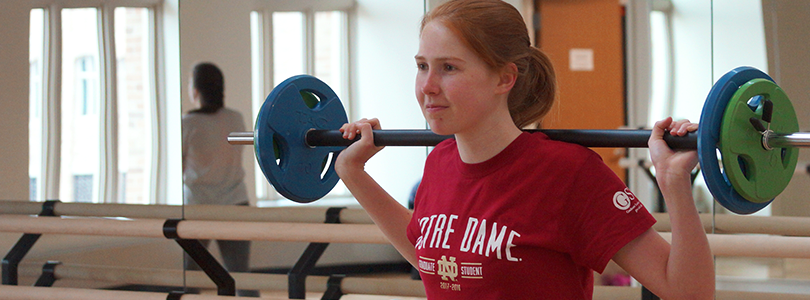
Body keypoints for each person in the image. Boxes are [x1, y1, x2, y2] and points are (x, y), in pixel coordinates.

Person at [335, 1, 714, 299]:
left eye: (448, 67)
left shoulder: (568, 172)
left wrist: (673, 180)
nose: (428, 86)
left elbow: (687, 292)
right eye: (422, 66)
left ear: (504, 78)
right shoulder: (440, 162)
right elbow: (436, 259)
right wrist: (353, 174)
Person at [181, 62, 259, 297]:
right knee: (241, 276)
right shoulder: (236, 118)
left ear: (195, 90)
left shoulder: (188, 123)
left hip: (199, 207)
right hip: (235, 204)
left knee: (190, 276)